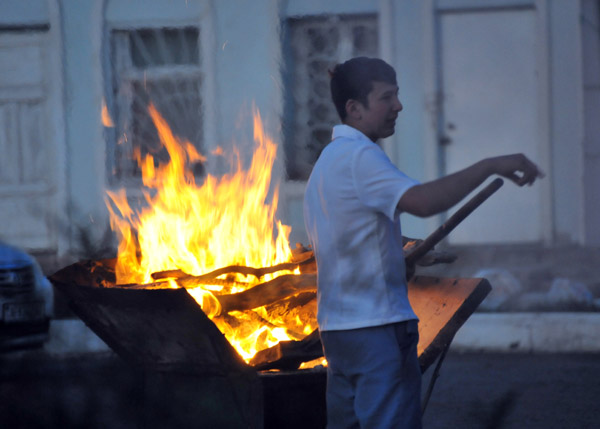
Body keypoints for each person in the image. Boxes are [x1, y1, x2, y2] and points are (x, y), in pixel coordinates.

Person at [303, 57, 542, 429]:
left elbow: (348, 238)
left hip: (338, 332)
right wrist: (489, 164)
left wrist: (402, 252)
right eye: (386, 98)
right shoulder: (361, 157)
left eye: (396, 96)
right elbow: (424, 202)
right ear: (354, 108)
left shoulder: (326, 163)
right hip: (377, 330)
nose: (398, 106)